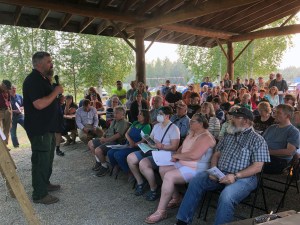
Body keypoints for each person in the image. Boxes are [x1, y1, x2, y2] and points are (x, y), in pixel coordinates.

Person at [175, 107, 270, 225]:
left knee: (226, 196)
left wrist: (235, 176)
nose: (231, 119)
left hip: (244, 178)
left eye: (235, 117)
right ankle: (182, 221)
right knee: (196, 180)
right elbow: (216, 155)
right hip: (221, 173)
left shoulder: (257, 140)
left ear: (245, 121)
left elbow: (257, 167)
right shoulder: (229, 135)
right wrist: (214, 170)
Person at [144, 114, 216, 224]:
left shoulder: (206, 137)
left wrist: (176, 156)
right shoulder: (192, 133)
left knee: (169, 176)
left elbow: (193, 155)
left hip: (196, 168)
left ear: (201, 124)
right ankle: (176, 197)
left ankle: (161, 211)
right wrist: (177, 154)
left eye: (192, 122)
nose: (189, 123)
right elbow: (182, 148)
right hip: (184, 163)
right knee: (163, 169)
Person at [23, 51, 64, 204]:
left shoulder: (43, 79)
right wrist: (55, 91)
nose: (51, 64)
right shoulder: (33, 80)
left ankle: (45, 184)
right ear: (39, 64)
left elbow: (47, 101)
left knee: (47, 159)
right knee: (40, 160)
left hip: (48, 127)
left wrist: (56, 100)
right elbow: (39, 104)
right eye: (48, 62)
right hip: (39, 128)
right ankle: (39, 194)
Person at [127, 106, 180, 200]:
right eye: (158, 114)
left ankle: (153, 188)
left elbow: (175, 146)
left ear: (167, 116)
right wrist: (149, 141)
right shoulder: (156, 126)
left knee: (143, 163)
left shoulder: (174, 128)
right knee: (130, 157)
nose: (158, 116)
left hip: (165, 154)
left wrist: (162, 146)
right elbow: (150, 138)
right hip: (154, 150)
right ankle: (140, 182)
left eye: (160, 114)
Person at [107, 109, 151, 176]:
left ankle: (130, 172)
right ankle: (117, 166)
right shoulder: (135, 123)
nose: (137, 115)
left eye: (140, 114)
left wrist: (134, 144)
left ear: (145, 117)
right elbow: (126, 133)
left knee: (118, 154)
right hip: (128, 144)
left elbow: (143, 141)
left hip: (136, 147)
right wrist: (130, 141)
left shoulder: (147, 126)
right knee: (110, 152)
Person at [89, 106, 129, 176]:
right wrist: (102, 137)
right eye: (114, 113)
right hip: (108, 139)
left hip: (116, 142)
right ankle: (99, 161)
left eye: (117, 113)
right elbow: (108, 131)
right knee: (90, 143)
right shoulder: (114, 121)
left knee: (98, 150)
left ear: (123, 115)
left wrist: (105, 140)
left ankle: (105, 166)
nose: (114, 114)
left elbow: (117, 136)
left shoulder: (123, 122)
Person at [263, 104, 300, 174]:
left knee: (250, 162)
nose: (275, 115)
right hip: (264, 157)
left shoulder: (293, 131)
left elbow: (290, 152)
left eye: (278, 113)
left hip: (279, 161)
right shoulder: (272, 127)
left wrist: (267, 152)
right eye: (275, 112)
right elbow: (260, 142)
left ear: (288, 116)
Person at [0, 79, 12, 146]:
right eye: (7, 88)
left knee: (7, 129)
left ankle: (5, 145)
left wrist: (10, 111)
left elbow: (9, 101)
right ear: (2, 85)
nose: (7, 90)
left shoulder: (8, 92)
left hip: (7, 110)